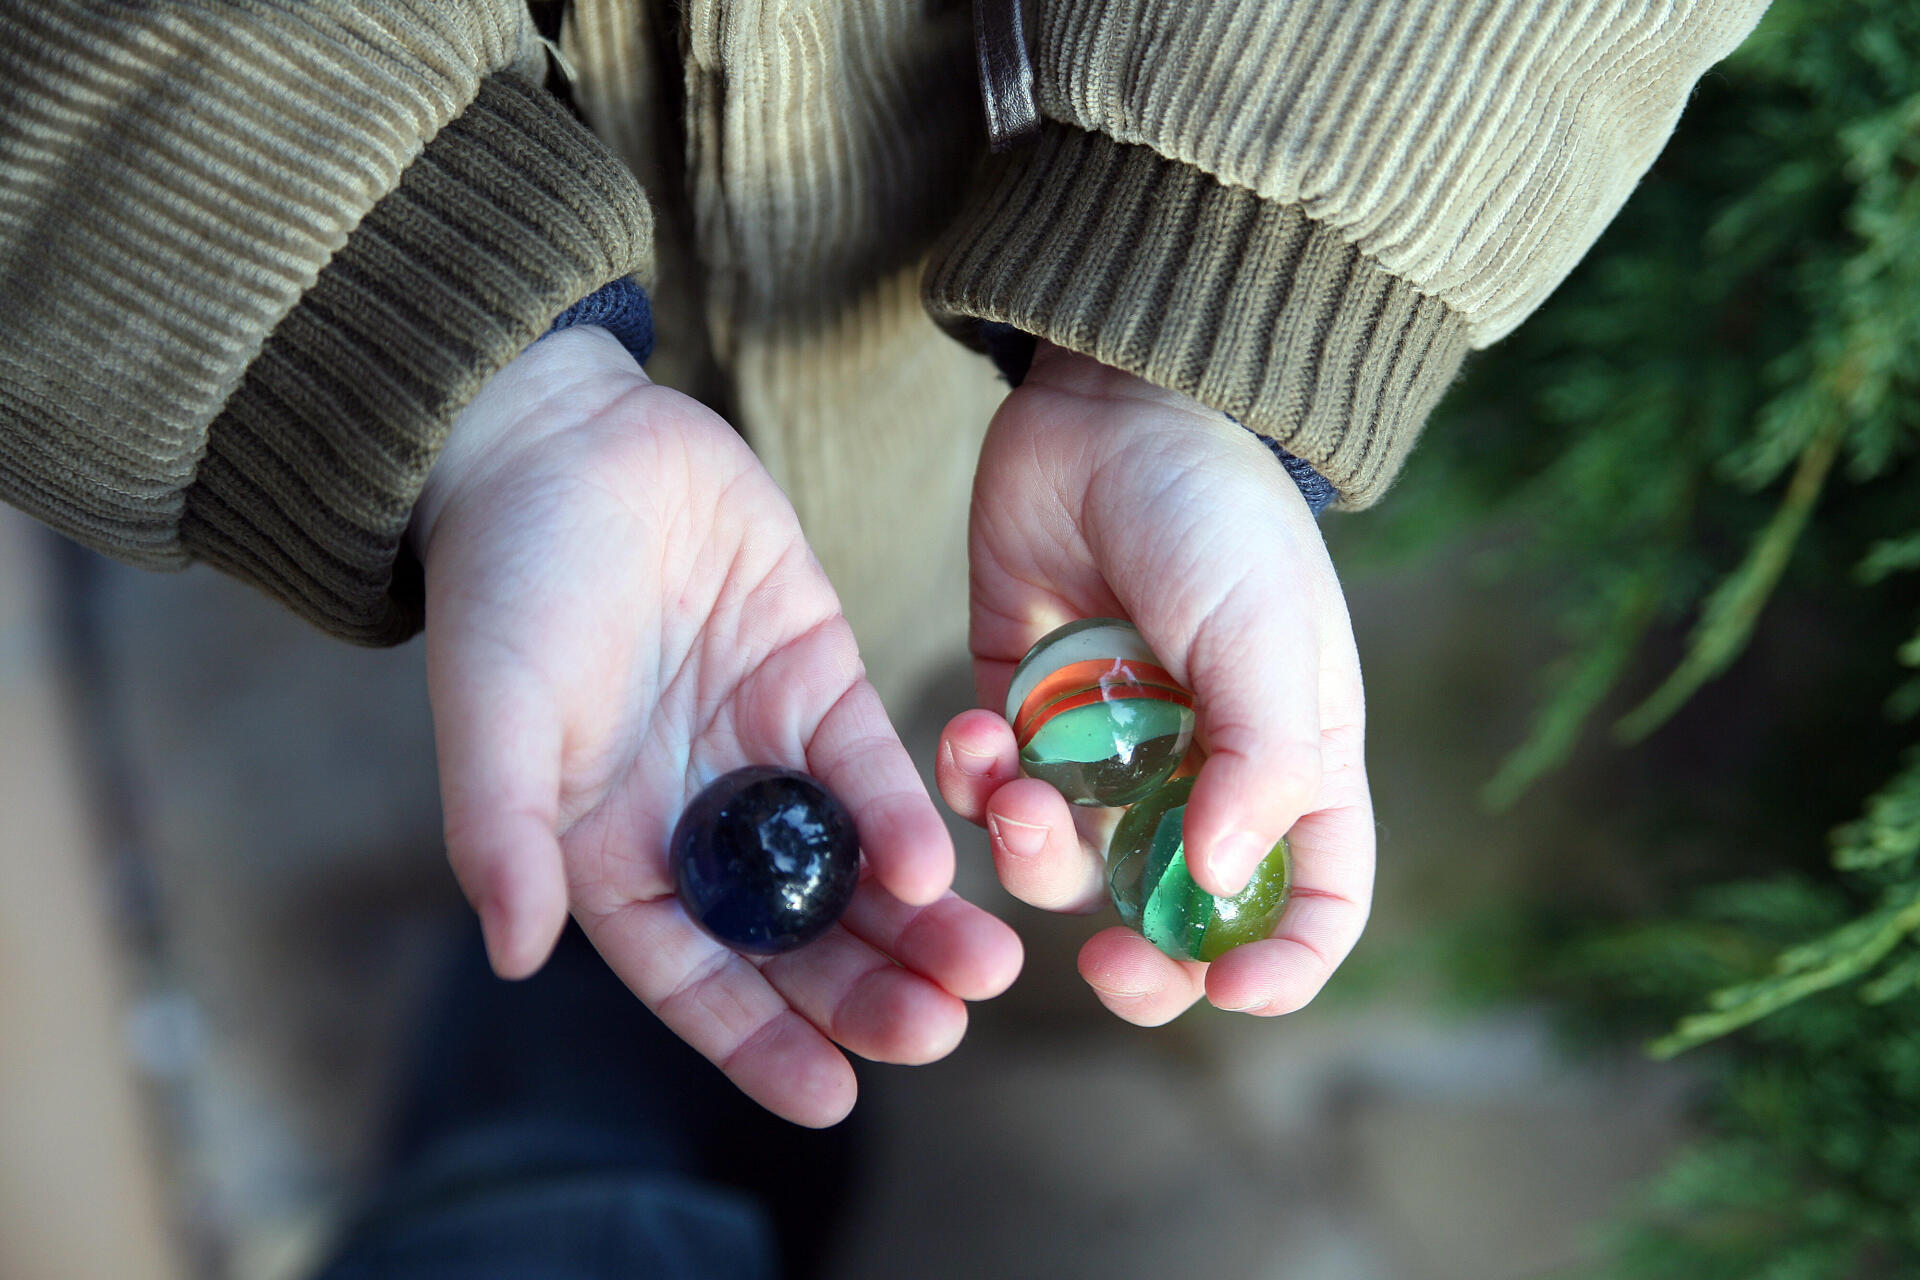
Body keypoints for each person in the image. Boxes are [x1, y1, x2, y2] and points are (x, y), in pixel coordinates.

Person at [0, 0, 1769, 1141]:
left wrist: (1216, 271)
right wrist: (379, 305)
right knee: (647, 687)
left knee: (889, 616)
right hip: (405, 205)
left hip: (967, 278)